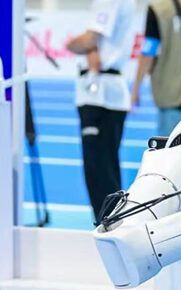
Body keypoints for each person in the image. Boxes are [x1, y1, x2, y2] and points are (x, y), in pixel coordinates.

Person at [67, 0, 136, 224]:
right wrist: (89, 48)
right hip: (105, 91)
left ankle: (108, 225)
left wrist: (72, 44)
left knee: (99, 170)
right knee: (104, 167)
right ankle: (109, 223)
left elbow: (90, 39)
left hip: (100, 94)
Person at [131, 0, 181, 136]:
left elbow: (148, 54)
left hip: (171, 93)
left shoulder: (159, 9)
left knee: (171, 146)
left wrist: (135, 89)